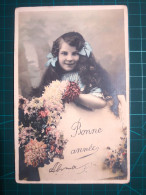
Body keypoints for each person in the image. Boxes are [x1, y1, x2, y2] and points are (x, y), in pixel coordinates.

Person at [31, 32, 126, 117]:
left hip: (85, 121)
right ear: (57, 55)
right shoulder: (53, 74)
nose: (69, 58)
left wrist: (75, 95)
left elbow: (101, 103)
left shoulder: (85, 74)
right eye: (64, 53)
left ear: (81, 55)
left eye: (74, 53)